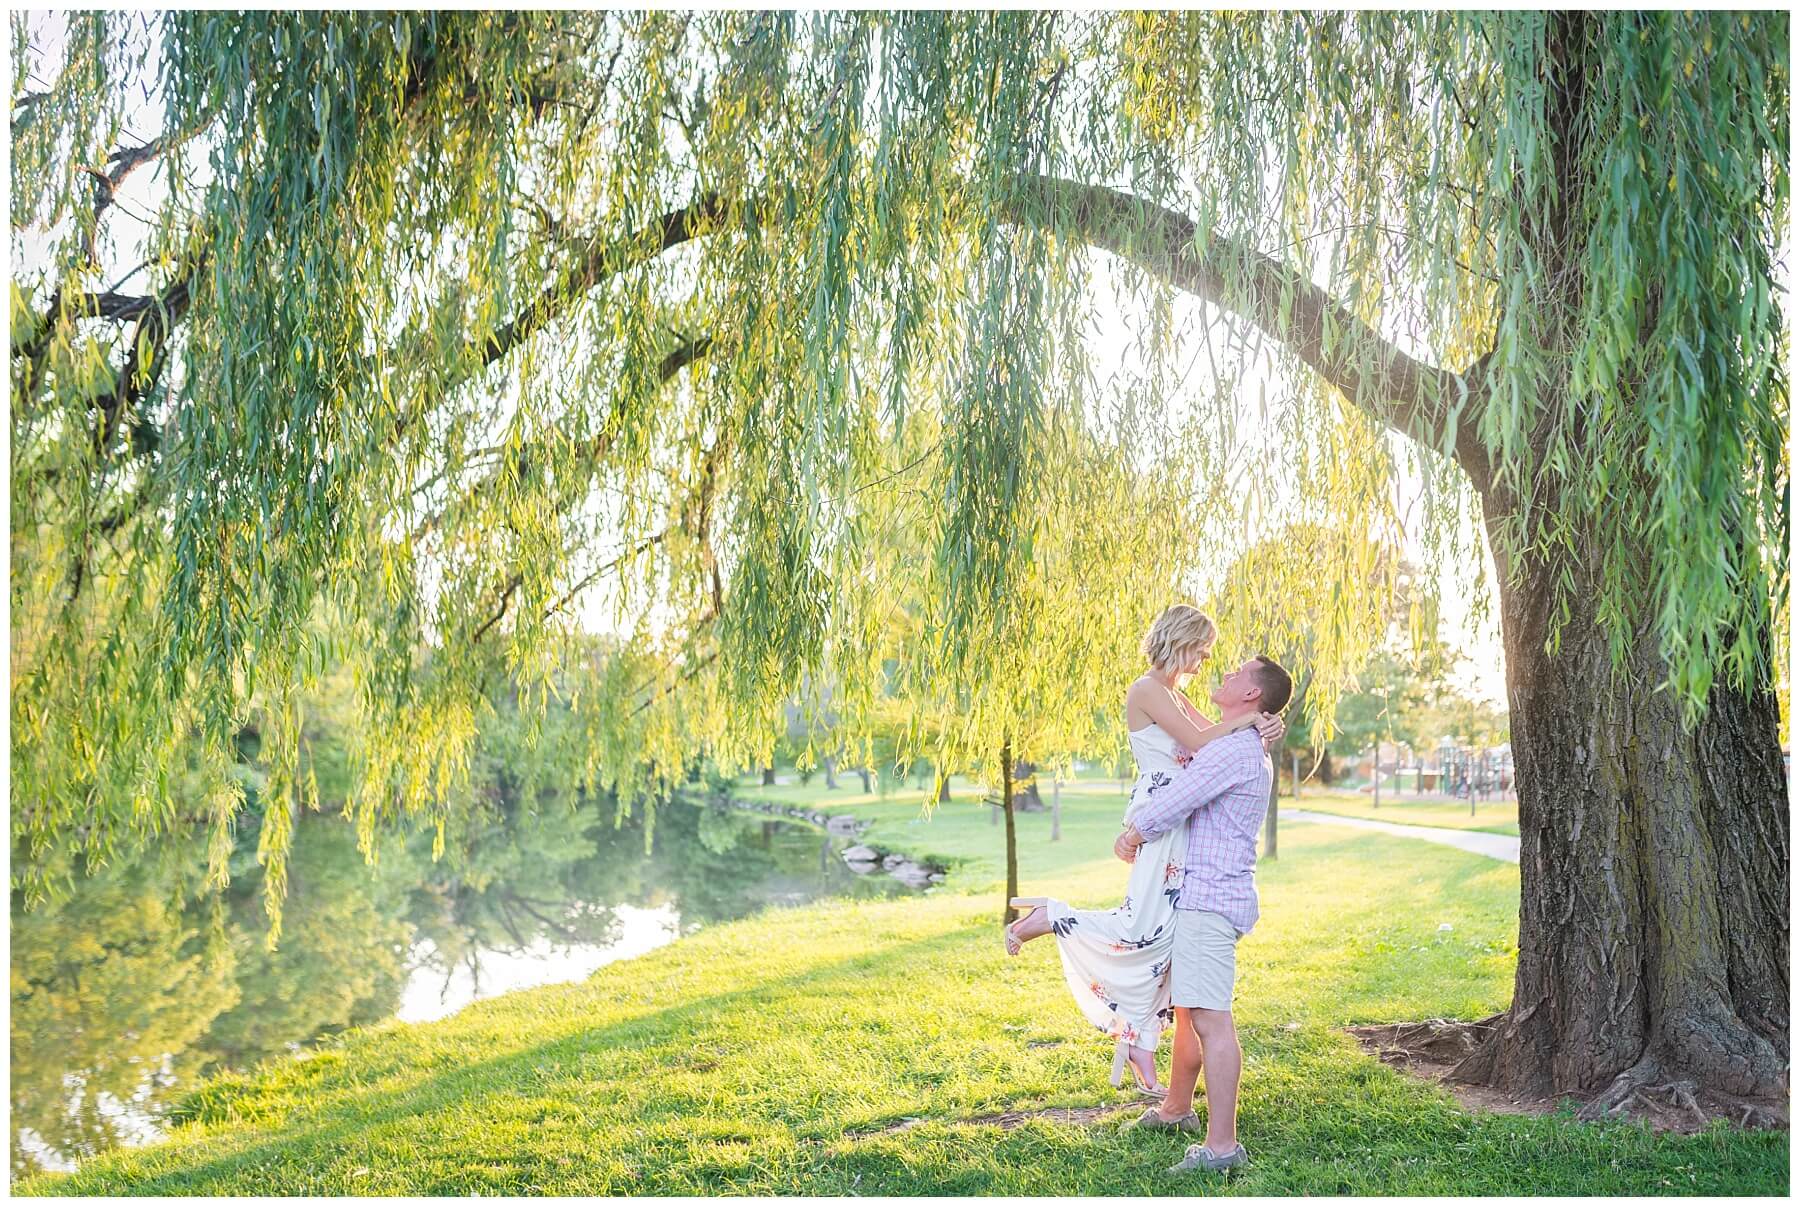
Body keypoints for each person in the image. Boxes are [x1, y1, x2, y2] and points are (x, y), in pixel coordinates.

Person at [1003, 605, 1283, 1097]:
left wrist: (1257, 726)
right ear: (1182, 640)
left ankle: (1141, 1039)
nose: (1206, 661)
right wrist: (1253, 723)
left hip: (1182, 814)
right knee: (1140, 924)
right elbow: (1201, 740)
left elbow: (1207, 745)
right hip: (1163, 811)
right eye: (1203, 649)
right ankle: (1051, 916)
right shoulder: (1147, 689)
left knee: (1165, 937)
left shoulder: (1175, 693)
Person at [1117, 653, 1293, 1174]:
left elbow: (1176, 801)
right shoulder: (1240, 742)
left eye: (1238, 672)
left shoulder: (1235, 751)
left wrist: (1131, 833)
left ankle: (1222, 1148)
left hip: (1209, 899)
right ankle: (1177, 1111)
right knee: (1192, 1014)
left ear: (1252, 696)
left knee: (1213, 1021)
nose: (1226, 673)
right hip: (1209, 895)